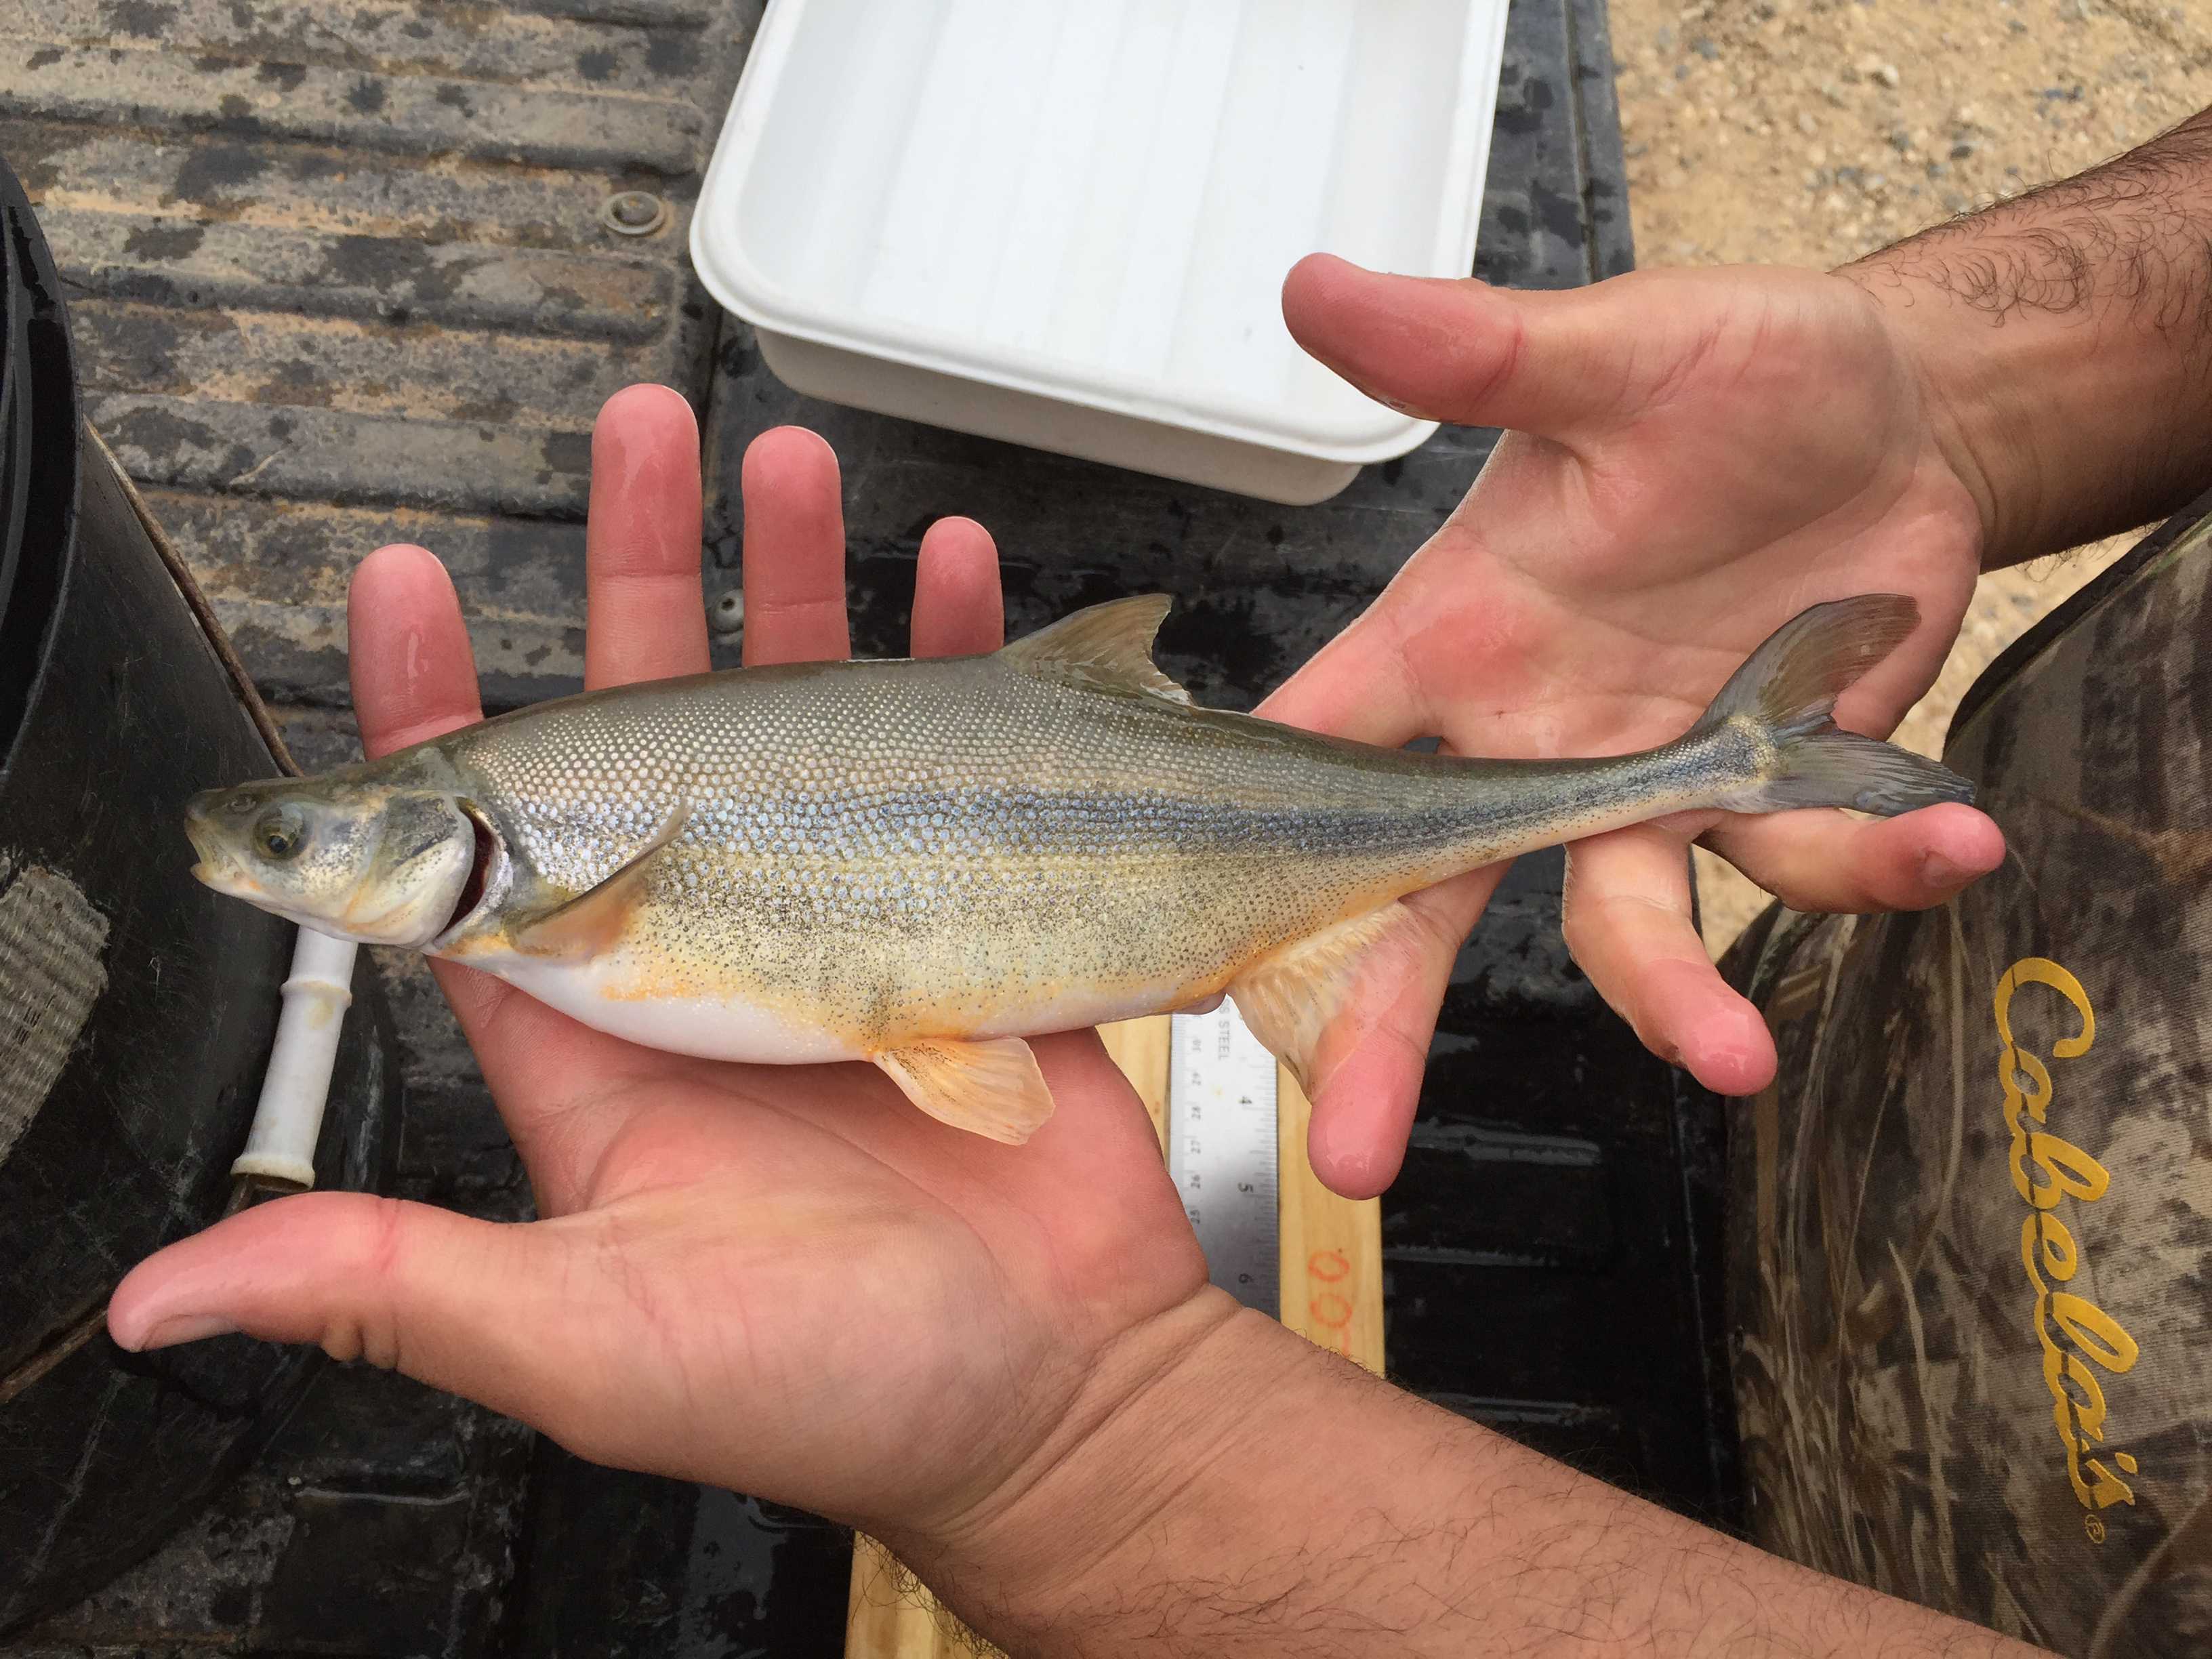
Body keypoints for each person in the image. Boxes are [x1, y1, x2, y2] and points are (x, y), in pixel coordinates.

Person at [107, 104, 2212, 1656]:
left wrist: (1078, 1453)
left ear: (438, 842)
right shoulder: (539, 883)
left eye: (303, 843)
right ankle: (1738, 744)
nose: (272, 857)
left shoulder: (543, 892)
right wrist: (1947, 387)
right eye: (302, 838)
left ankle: (1739, 743)